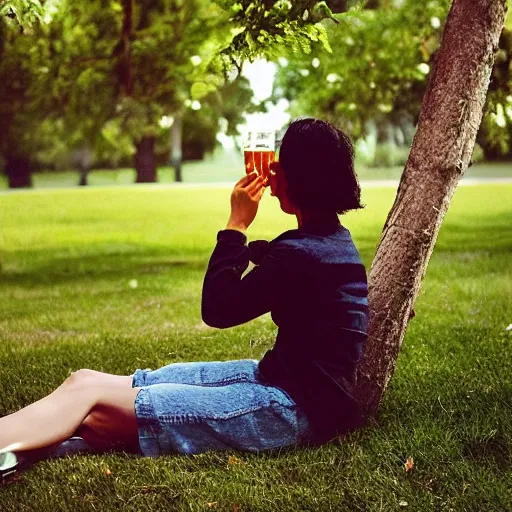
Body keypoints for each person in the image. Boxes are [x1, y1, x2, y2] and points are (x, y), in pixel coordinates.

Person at [0, 118, 368, 479]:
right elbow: (278, 269)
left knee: (96, 409)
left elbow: (218, 310)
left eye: (281, 161)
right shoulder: (331, 242)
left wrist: (236, 224)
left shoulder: (304, 253)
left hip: (290, 410)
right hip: (274, 380)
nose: (272, 167)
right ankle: (29, 444)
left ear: (301, 176)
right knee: (83, 382)